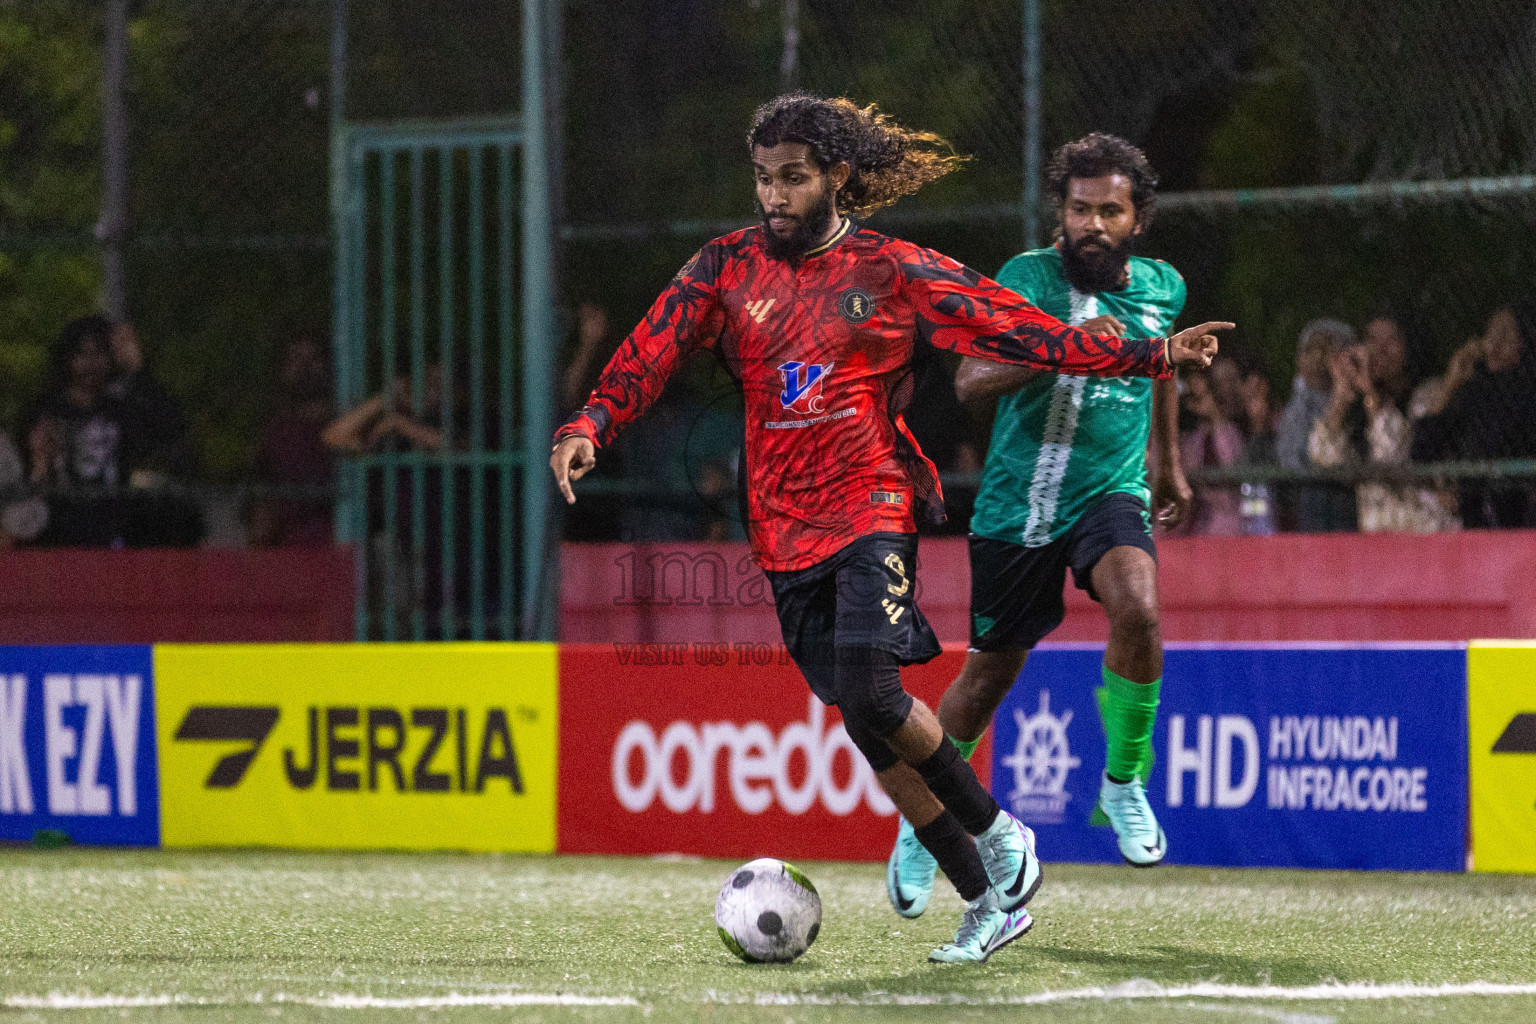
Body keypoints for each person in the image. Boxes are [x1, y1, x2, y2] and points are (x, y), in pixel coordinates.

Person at [550, 96, 1227, 964]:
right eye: (763, 179)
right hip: (782, 530)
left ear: (835, 176)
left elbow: (1026, 332)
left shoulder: (893, 268)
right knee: (871, 729)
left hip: (873, 503)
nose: (774, 197)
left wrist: (1151, 355)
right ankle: (989, 902)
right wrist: (590, 425)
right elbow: (652, 346)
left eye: (792, 178)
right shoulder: (723, 268)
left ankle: (1001, 833)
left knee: (874, 694)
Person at [885, 133, 1191, 912]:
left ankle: (1122, 785)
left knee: (1140, 609)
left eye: (1109, 210)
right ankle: (928, 827)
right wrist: (1062, 352)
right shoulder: (1024, 279)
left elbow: (1161, 371)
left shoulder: (1163, 288)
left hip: (1108, 491)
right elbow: (969, 379)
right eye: (1079, 208)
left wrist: (1170, 461)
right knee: (986, 680)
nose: (1091, 223)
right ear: (1062, 210)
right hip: (1017, 504)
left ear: (1139, 218)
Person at [1308, 324, 1454, 533]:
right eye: (1372, 341)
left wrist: (1369, 392)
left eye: (1391, 341)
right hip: (1376, 537)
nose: (1380, 350)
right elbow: (1324, 458)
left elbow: (1391, 456)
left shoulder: (1429, 394)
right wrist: (1341, 394)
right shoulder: (1358, 407)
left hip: (1423, 533)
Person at [1413, 301, 1536, 527]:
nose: (1494, 343)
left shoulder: (1527, 394)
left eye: (1506, 334)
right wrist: (1452, 381)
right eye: (1491, 332)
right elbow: (1422, 449)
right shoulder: (1473, 391)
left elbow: (1499, 441)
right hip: (1476, 522)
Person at [250, 330, 335, 547]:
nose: (305, 368)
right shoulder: (275, 431)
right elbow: (265, 490)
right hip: (287, 553)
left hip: (338, 548)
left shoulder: (345, 427)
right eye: (296, 359)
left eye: (313, 359)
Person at [1277, 319, 1357, 532]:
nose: (1318, 360)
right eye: (1310, 351)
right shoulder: (1296, 407)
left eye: (1327, 351)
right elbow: (1291, 460)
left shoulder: (1357, 402)